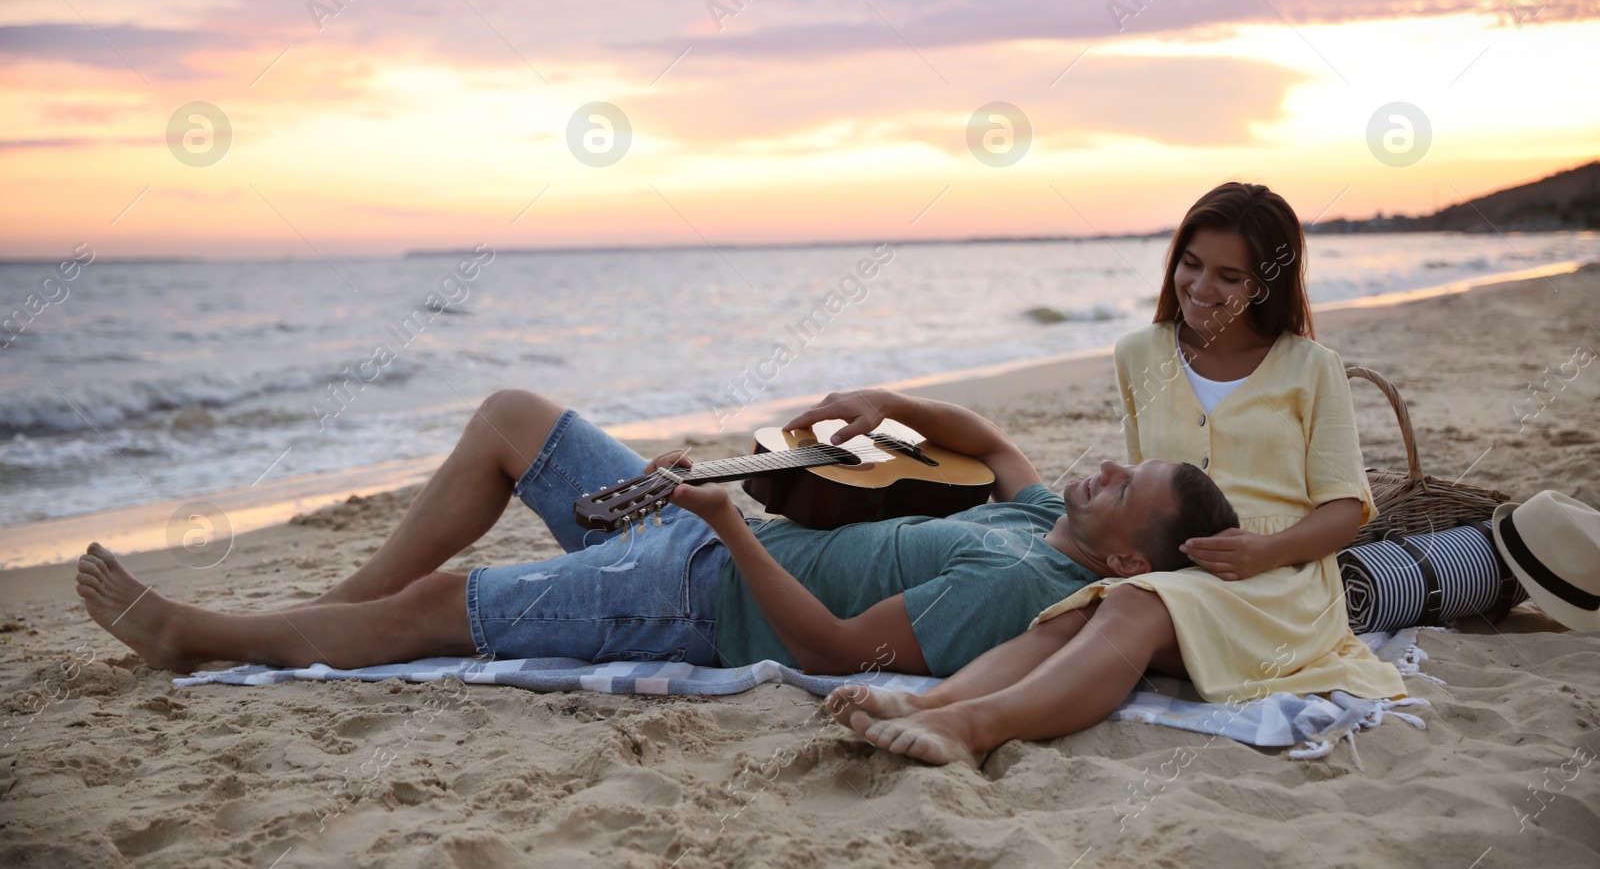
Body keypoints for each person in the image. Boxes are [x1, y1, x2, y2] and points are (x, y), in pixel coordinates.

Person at [825, 182, 1410, 767]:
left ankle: (972, 727)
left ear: (1265, 283)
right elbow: (1136, 485)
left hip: (1282, 584)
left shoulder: (1313, 367)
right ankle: (933, 704)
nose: (1202, 288)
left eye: (1229, 278)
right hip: (1171, 564)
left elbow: (1344, 509)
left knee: (1133, 604)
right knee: (1076, 611)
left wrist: (1263, 552)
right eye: (1190, 264)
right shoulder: (1139, 353)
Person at [75, 388, 1237, 677]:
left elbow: (832, 650)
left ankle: (202, 634)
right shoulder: (1036, 513)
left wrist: (731, 528)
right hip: (698, 539)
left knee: (450, 606)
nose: (1100, 466)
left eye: (1123, 480)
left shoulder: (1014, 590)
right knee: (510, 419)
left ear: (1130, 556)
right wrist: (890, 403)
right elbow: (994, 443)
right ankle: (329, 602)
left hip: (700, 597)